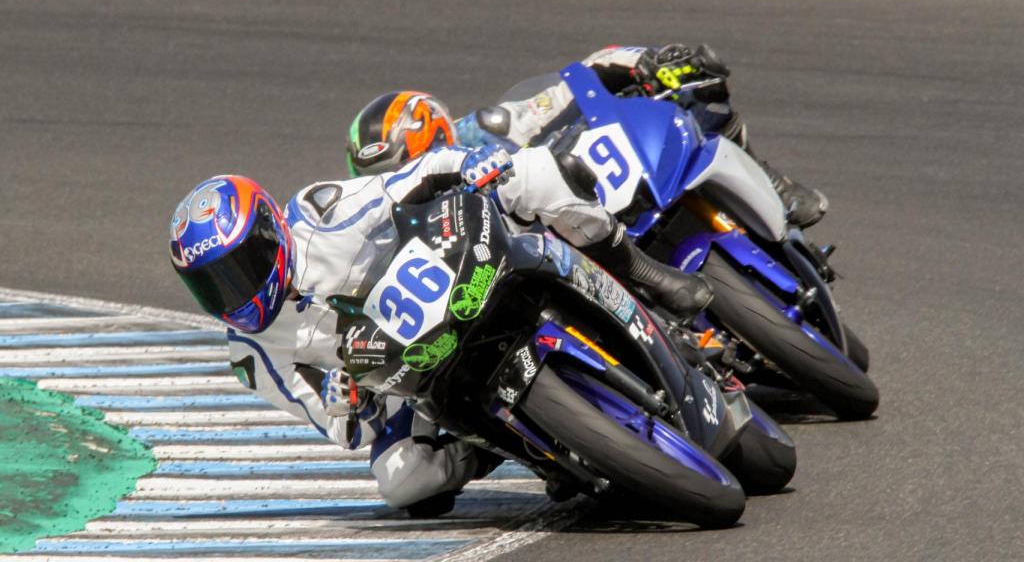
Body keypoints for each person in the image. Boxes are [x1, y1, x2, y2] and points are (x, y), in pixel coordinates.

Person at [169, 143, 710, 516]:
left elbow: (411, 178)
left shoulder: (320, 213)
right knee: (404, 484)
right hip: (407, 376)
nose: (234, 294)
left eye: (240, 269)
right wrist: (349, 400)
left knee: (540, 171)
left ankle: (641, 271)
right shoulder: (252, 354)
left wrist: (474, 164)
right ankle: (512, 449)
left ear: (271, 230)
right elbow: (348, 432)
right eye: (213, 286)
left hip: (455, 267)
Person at [345, 44, 828, 228]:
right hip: (544, 247)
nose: (412, 177)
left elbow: (564, 88)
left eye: (411, 161)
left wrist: (644, 63)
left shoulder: (486, 129)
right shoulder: (406, 222)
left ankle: (775, 189)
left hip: (588, 183)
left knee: (681, 102)